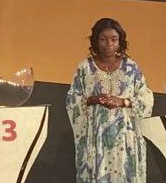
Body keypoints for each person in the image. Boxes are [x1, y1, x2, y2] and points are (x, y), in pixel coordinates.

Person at [65, 18, 153, 183]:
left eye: (114, 39)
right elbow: (72, 100)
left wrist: (123, 102)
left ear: (120, 41)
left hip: (125, 139)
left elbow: (146, 99)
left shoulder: (131, 68)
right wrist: (93, 99)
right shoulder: (85, 68)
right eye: (103, 39)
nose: (109, 44)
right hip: (95, 138)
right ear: (96, 41)